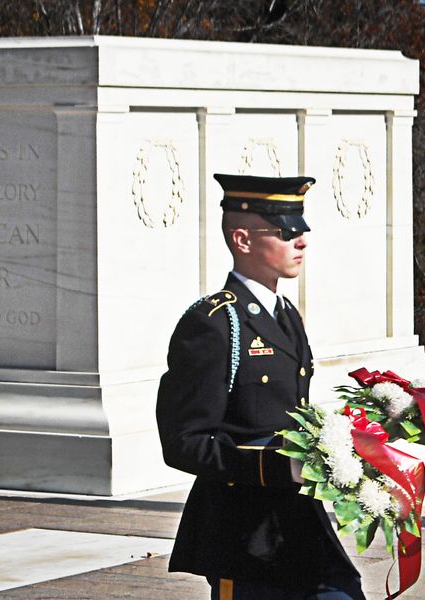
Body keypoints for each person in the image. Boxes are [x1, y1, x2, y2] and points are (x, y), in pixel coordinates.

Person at [156, 174, 365, 599]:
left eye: (302, 230)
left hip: (298, 523)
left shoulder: (286, 314)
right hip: (245, 536)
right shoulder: (214, 323)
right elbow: (184, 440)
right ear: (243, 240)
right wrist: (272, 466)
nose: (301, 241)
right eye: (287, 232)